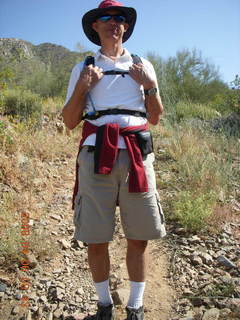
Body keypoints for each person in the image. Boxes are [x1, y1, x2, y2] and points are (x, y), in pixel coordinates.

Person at [62, 1, 166, 319]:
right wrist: (83, 86)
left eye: (119, 18)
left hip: (137, 154)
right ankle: (105, 303)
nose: (113, 22)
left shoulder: (142, 64)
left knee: (139, 236)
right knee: (96, 238)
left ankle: (135, 305)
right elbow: (69, 120)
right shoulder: (83, 68)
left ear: (125, 26)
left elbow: (157, 117)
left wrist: (149, 85)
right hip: (96, 155)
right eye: (105, 18)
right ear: (95, 26)